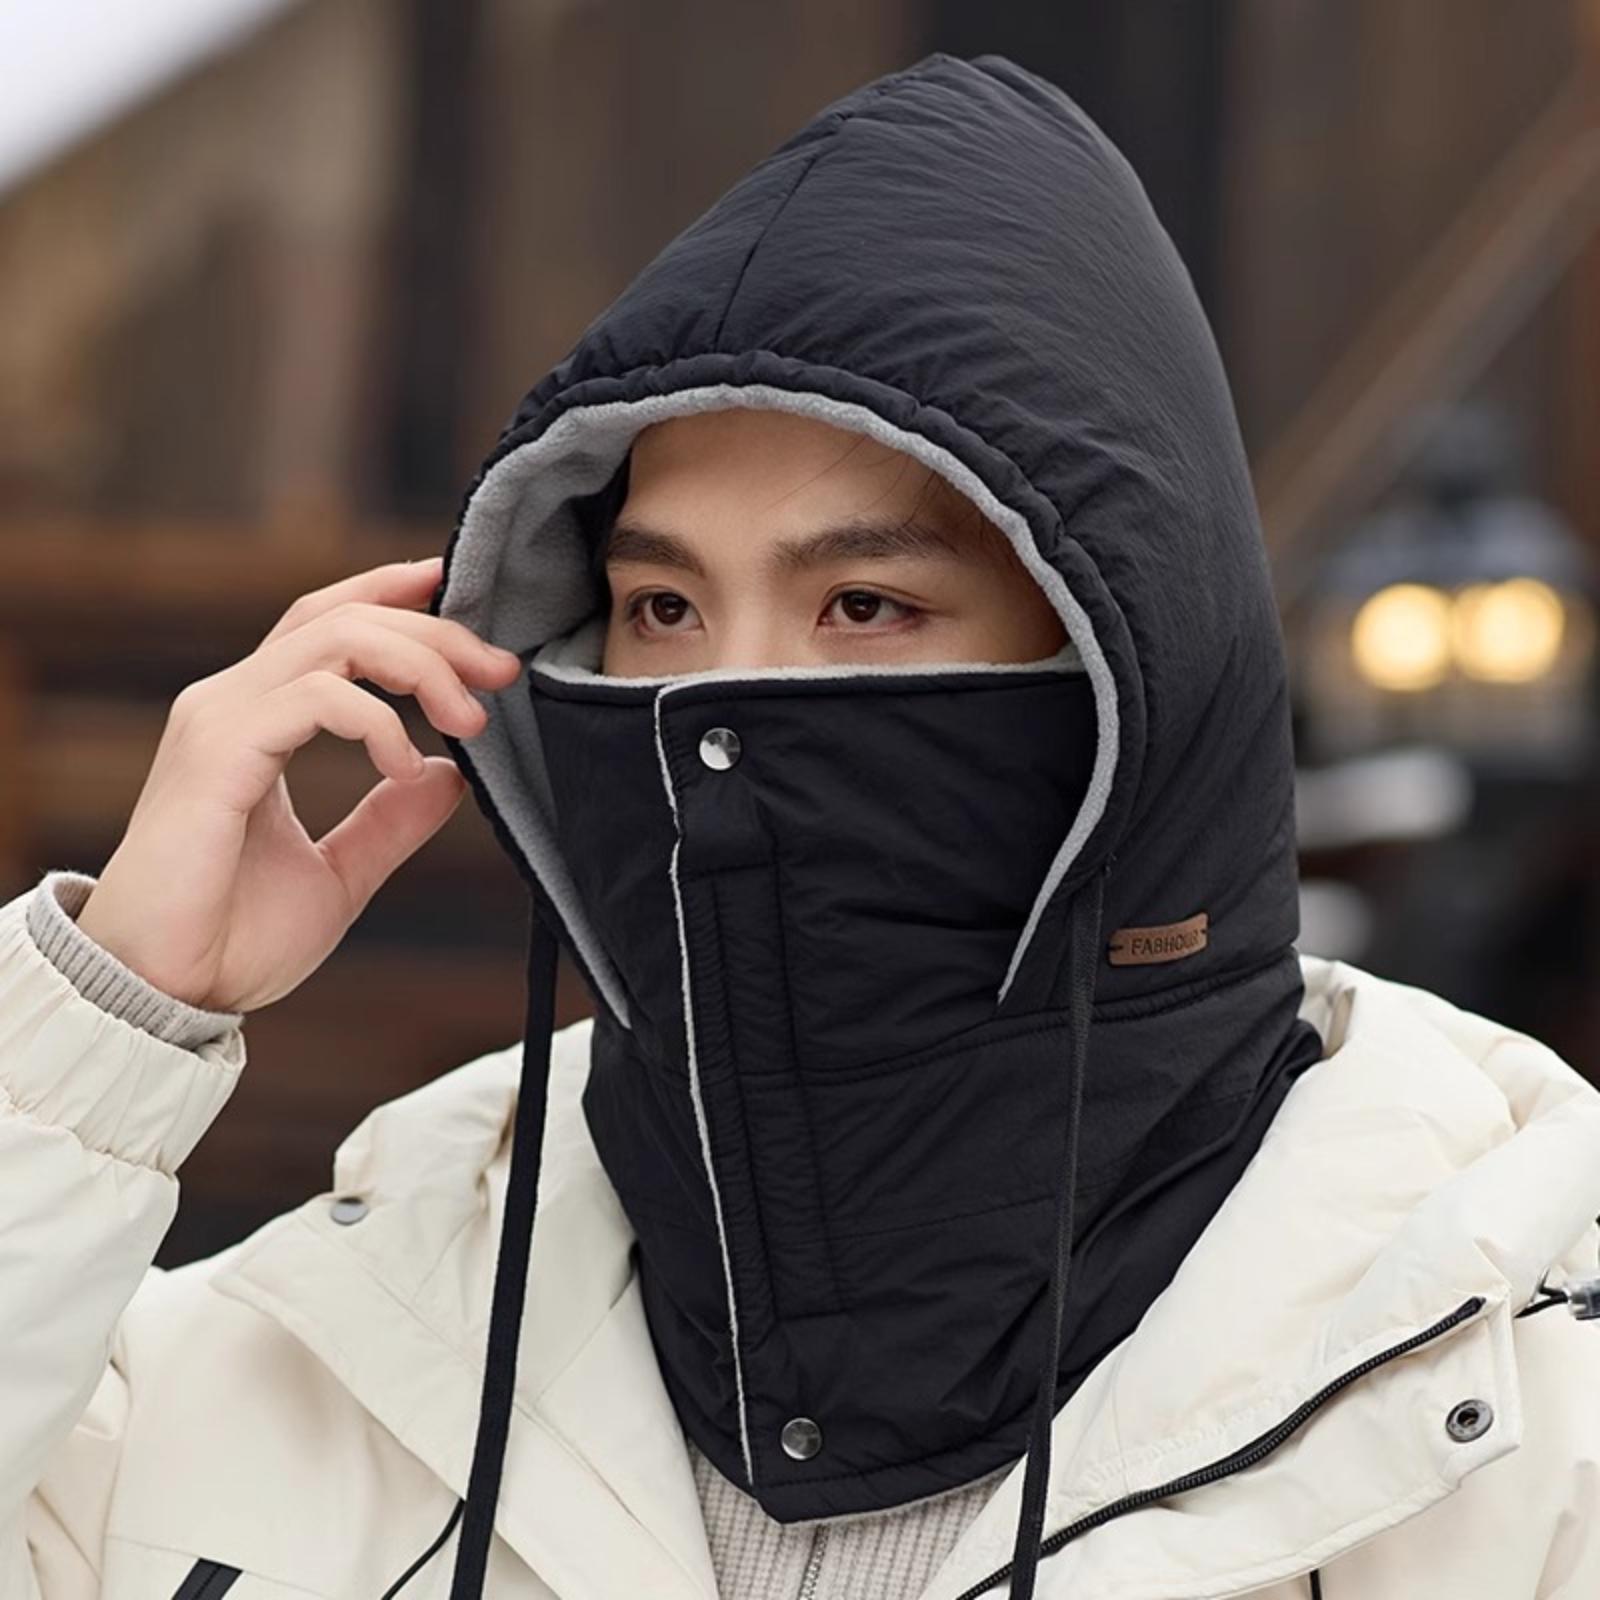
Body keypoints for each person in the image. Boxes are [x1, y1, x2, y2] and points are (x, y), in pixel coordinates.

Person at [4, 50, 1599, 1600]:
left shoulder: (1518, 1404)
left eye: (863, 603)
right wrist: (107, 1024)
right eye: (664, 607)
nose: (730, 703)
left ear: (1131, 670)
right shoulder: (324, 1343)